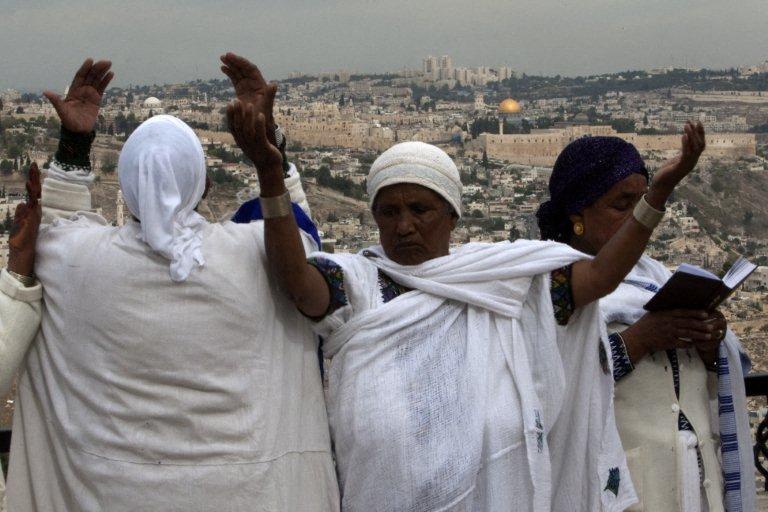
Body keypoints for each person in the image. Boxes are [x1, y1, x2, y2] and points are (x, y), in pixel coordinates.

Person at [226, 54, 706, 511]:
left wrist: (656, 196)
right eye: (389, 212)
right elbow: (295, 279)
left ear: (452, 215)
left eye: (420, 210)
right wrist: (271, 173)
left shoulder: (498, 278)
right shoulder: (356, 280)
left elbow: (600, 276)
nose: (404, 226)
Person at [2, 58, 339, 511]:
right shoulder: (256, 255)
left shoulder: (75, 262)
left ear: (127, 184)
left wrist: (74, 144)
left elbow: (53, 227)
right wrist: (268, 147)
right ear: (200, 184)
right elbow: (298, 235)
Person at [537, 133, 754, 512]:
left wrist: (706, 343)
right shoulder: (550, 286)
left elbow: (703, 380)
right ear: (578, 217)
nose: (638, 218)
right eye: (623, 205)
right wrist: (640, 340)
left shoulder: (653, 274)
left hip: (694, 477)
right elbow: (552, 382)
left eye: (642, 202)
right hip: (623, 483)